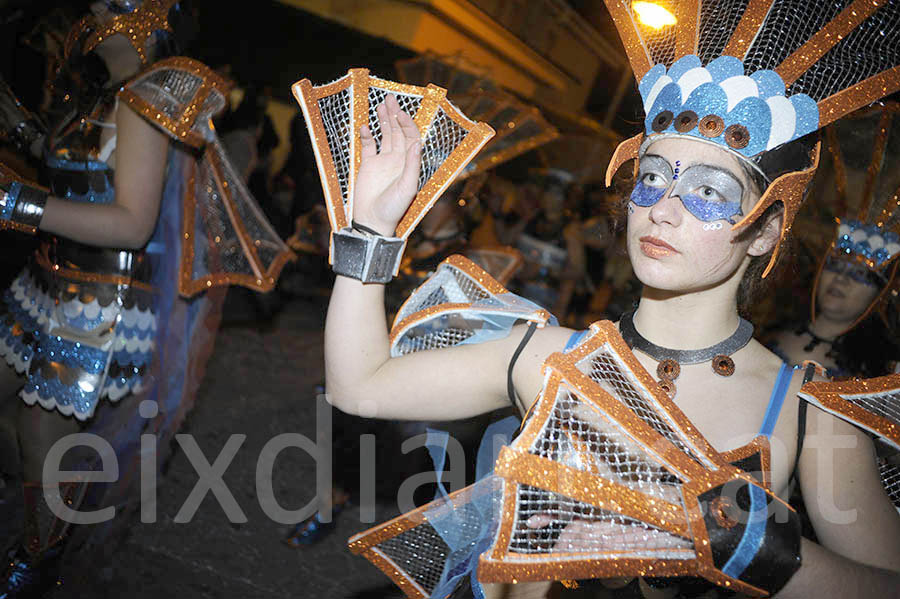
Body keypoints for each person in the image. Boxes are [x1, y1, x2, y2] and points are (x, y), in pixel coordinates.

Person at [317, 0, 900, 596]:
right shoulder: (548, 358)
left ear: (767, 231)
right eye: (652, 177)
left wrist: (743, 543)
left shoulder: (806, 415)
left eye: (708, 190)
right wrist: (371, 230)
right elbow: (359, 385)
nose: (663, 208)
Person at [0, 1, 291, 595]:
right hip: (43, 283)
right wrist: (21, 124)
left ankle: (37, 560)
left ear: (151, 18)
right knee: (26, 431)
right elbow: (72, 173)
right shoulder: (97, 100)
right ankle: (44, 528)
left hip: (96, 310)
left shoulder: (145, 101)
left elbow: (132, 223)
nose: (92, 11)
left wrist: (13, 204)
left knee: (39, 437)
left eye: (113, 2)